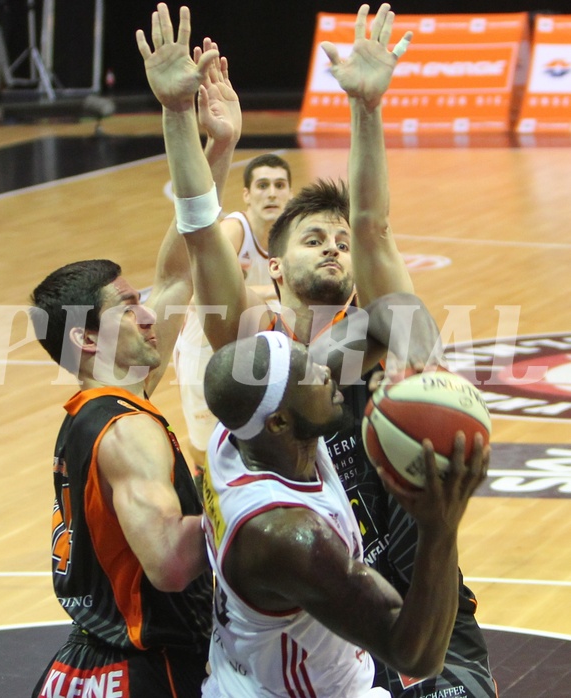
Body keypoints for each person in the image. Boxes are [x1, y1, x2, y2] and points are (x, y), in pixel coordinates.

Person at [178, 3, 498, 696]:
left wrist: (366, 107)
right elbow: (203, 241)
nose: (335, 246)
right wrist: (199, 135)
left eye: (341, 240)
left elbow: (377, 230)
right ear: (270, 264)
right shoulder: (259, 357)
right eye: (313, 238)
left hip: (413, 593)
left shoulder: (381, 341)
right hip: (317, 618)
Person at [29, 21, 242, 698]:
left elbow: (181, 272)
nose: (150, 309)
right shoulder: (128, 434)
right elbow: (172, 565)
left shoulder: (109, 403)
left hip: (87, 662)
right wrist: (234, 494)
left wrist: (216, 144)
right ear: (88, 338)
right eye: (129, 306)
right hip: (148, 671)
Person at [200, 330, 489, 697]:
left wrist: (417, 367)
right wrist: (440, 527)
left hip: (255, 672)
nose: (325, 371)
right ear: (279, 423)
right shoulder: (286, 535)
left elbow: (387, 315)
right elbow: (416, 655)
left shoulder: (242, 431)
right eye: (310, 371)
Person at [174, 152, 293, 479]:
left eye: (279, 185)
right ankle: (205, 495)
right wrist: (275, 294)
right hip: (203, 350)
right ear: (247, 195)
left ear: (290, 194)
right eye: (262, 185)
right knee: (205, 446)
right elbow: (203, 294)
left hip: (247, 347)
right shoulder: (235, 229)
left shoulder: (289, 239)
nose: (271, 193)